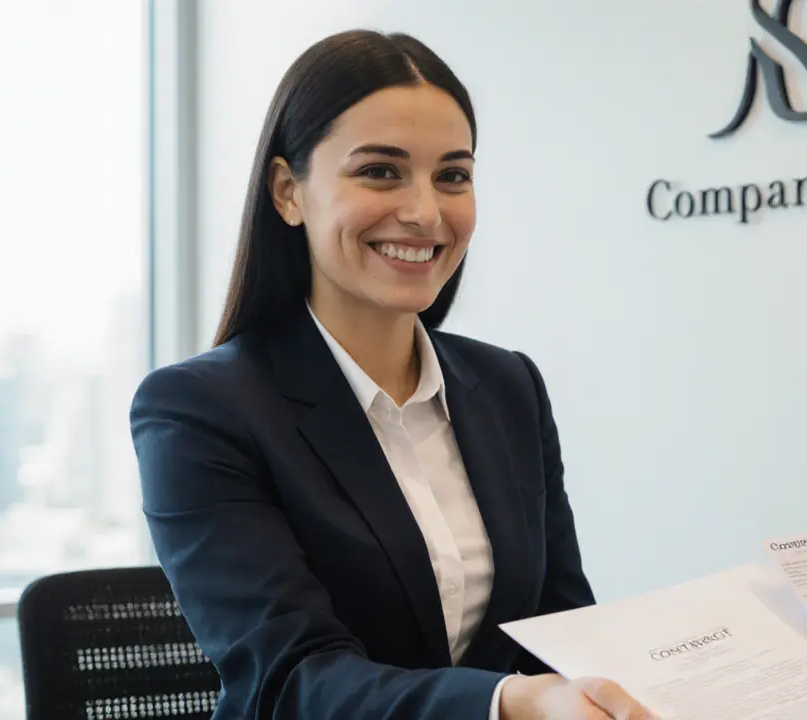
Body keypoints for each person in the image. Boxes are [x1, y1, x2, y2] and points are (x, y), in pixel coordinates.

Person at [129, 30, 650, 720]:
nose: (425, 213)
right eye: (380, 171)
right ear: (288, 191)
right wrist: (508, 704)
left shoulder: (507, 387)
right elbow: (290, 681)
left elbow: (561, 633)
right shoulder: (200, 410)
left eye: (453, 175)